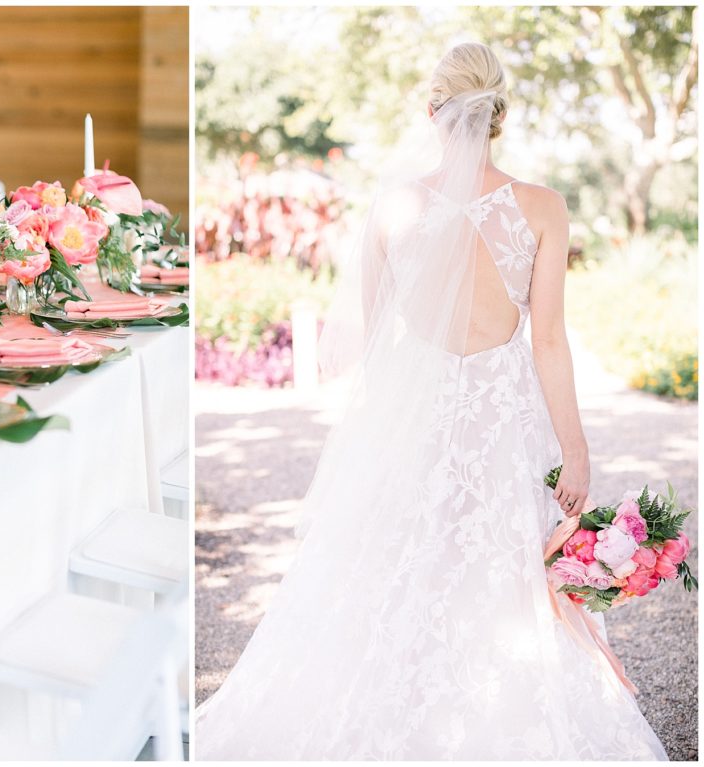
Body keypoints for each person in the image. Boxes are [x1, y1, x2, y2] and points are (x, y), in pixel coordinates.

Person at [194, 42, 668, 760]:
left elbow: (373, 339)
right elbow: (549, 342)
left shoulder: (394, 206)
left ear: (432, 110)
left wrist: (376, 433)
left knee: (400, 562)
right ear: (500, 113)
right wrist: (575, 444)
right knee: (502, 567)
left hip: (414, 421)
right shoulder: (542, 207)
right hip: (504, 422)